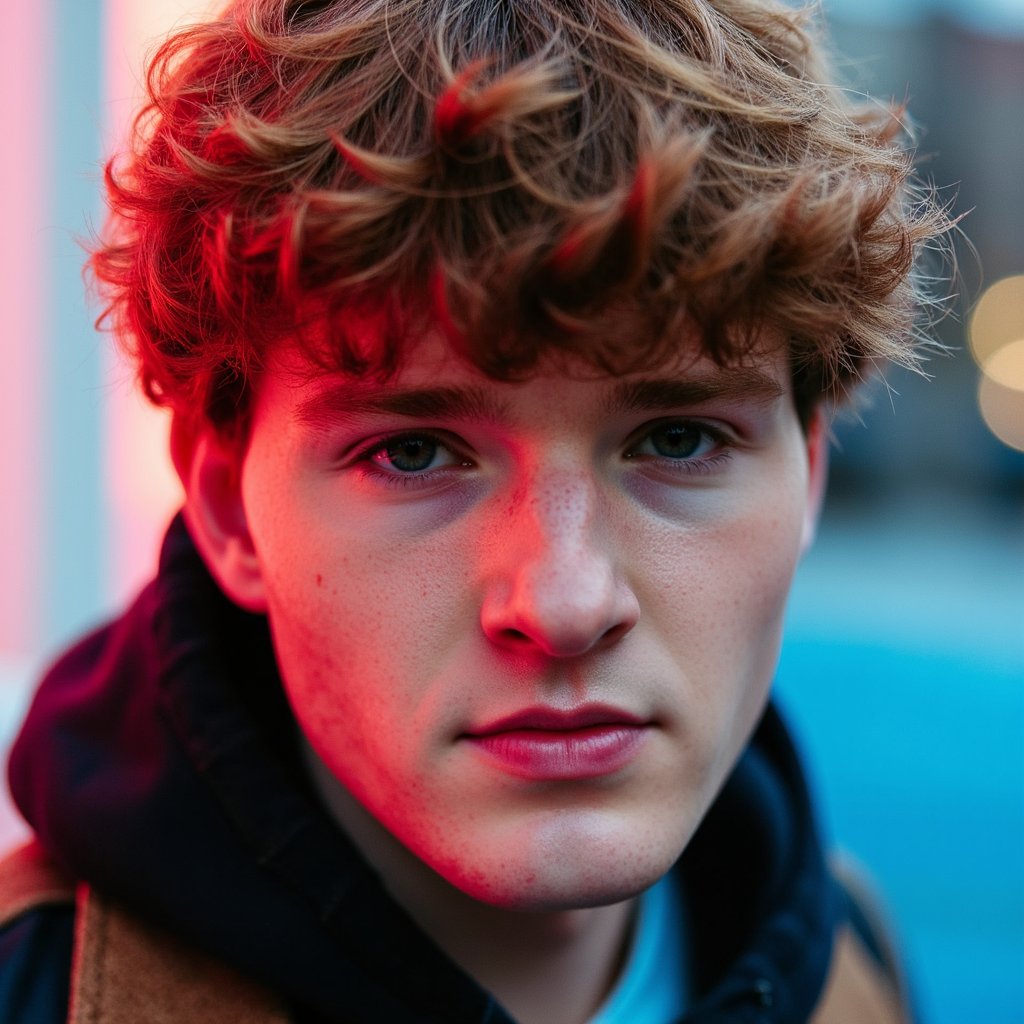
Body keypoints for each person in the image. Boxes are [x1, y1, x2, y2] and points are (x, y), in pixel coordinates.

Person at [0, 0, 949, 1021]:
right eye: (412, 453)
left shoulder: (853, 960)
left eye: (678, 440)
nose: (565, 602)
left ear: (807, 477)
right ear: (230, 510)